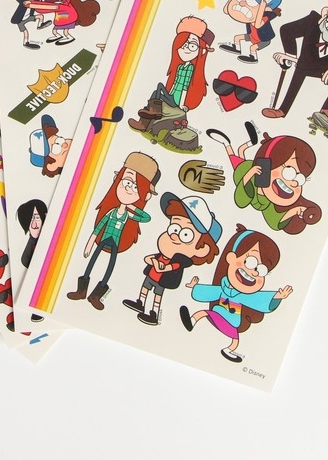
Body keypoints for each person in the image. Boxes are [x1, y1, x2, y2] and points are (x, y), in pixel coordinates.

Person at [179, 225, 293, 363]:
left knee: (234, 339)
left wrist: (277, 297)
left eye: (261, 270)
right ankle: (191, 321)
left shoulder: (245, 296)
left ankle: (228, 350)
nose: (254, 272)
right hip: (217, 315)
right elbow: (210, 292)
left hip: (232, 323)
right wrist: (195, 287)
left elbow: (260, 300)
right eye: (250, 262)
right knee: (203, 313)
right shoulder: (223, 287)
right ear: (231, 257)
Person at [67, 152, 160, 310]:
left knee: (109, 268)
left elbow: (146, 218)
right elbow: (98, 228)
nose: (129, 188)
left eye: (136, 187)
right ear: (117, 179)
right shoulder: (111, 212)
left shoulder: (129, 215)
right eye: (126, 182)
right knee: (91, 263)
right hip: (104, 239)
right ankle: (81, 291)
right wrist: (89, 244)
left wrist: (132, 207)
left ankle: (96, 296)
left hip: (115, 243)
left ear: (146, 195)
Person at [122, 192, 221, 325]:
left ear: (202, 249)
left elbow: (170, 267)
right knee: (145, 288)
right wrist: (153, 261)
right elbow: (148, 259)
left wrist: (159, 266)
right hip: (151, 276)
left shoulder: (180, 260)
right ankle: (140, 303)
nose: (174, 236)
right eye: (174, 228)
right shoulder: (162, 254)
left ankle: (154, 314)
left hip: (162, 281)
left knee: (157, 296)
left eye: (186, 234)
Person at [262, 0, 328, 123]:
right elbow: (287, 30)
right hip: (304, 64)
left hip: (326, 71)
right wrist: (290, 56)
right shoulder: (312, 22)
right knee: (298, 73)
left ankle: (327, 109)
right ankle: (282, 110)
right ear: (325, 14)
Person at [129, 16, 214, 131]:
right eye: (183, 44)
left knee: (159, 87)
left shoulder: (190, 69)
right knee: (156, 91)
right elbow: (174, 84)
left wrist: (183, 105)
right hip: (172, 96)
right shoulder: (180, 67)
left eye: (192, 46)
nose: (185, 49)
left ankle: (150, 116)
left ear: (202, 50)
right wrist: (168, 94)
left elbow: (185, 88)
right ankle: (147, 117)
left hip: (176, 102)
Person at [218, 0, 282, 63]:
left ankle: (253, 58)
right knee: (237, 38)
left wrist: (262, 5)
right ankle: (237, 48)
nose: (243, 3)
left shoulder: (266, 16)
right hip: (252, 36)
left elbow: (257, 25)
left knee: (252, 48)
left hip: (263, 40)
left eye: (251, 0)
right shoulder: (247, 12)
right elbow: (226, 10)